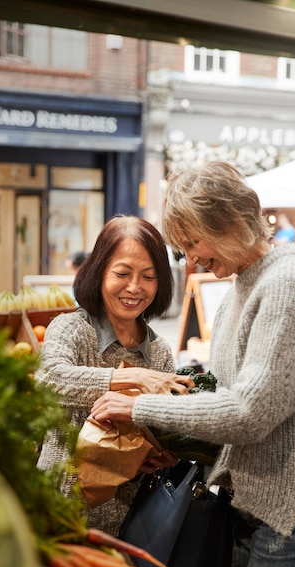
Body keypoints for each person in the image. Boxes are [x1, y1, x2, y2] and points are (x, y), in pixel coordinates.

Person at [91, 162, 295, 567]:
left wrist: (139, 405)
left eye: (193, 243)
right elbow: (226, 400)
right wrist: (170, 449)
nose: (191, 260)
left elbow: (249, 412)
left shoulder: (288, 284)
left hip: (289, 513)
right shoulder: (239, 290)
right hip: (247, 504)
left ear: (228, 220)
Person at [35, 214, 193, 538]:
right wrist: (135, 378)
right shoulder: (70, 329)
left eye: (148, 276)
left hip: (127, 526)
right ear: (98, 272)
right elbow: (50, 380)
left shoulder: (159, 351)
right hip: (57, 517)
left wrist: (159, 454)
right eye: (122, 273)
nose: (134, 287)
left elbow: (160, 431)